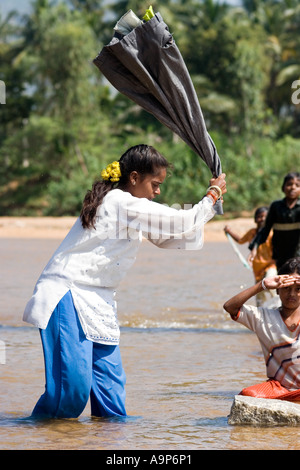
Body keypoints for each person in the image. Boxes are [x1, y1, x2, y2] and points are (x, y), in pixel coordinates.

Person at [23, 144, 227, 419]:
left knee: (111, 399)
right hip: (69, 294)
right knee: (70, 394)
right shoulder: (120, 202)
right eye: (155, 184)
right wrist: (211, 195)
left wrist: (212, 208)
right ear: (133, 178)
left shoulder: (129, 208)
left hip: (100, 301)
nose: (158, 192)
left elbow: (174, 238)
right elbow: (181, 222)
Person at [223, 257, 300, 401]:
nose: (292, 294)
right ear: (277, 291)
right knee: (248, 395)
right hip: (280, 388)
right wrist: (262, 285)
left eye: (298, 289)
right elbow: (230, 307)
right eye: (286, 288)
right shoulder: (263, 317)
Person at [224, 207, 277, 306]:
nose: (262, 219)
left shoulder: (271, 233)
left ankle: (281, 310)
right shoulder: (252, 233)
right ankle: (261, 316)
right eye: (260, 217)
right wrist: (229, 231)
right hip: (257, 270)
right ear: (255, 219)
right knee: (260, 298)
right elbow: (241, 240)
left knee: (271, 286)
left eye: (265, 217)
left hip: (270, 266)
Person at [250, 172, 300, 271]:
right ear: (283, 187)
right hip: (279, 254)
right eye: (289, 184)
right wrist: (255, 247)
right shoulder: (276, 207)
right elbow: (265, 229)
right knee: (281, 280)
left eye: (297, 185)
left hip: (298, 253)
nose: (292, 187)